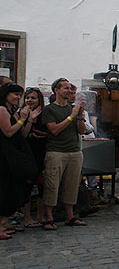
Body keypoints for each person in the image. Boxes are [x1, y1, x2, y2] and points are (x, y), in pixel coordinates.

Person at [40, 78, 87, 228]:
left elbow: (81, 131)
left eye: (70, 89)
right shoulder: (49, 109)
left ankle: (70, 216)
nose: (69, 91)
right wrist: (72, 116)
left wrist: (79, 116)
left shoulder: (72, 108)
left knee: (72, 185)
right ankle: (48, 217)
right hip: (56, 152)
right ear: (57, 90)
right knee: (52, 185)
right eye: (65, 88)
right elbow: (54, 130)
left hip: (74, 151)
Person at [0, 82, 40, 238]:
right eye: (15, 94)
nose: (18, 97)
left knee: (12, 188)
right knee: (5, 189)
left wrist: (28, 120)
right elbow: (8, 132)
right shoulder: (2, 110)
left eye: (19, 94)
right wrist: (22, 119)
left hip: (14, 154)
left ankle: (5, 222)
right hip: (5, 156)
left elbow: (21, 134)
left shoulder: (13, 111)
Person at [21, 87, 46, 228]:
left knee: (43, 186)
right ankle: (27, 217)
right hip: (27, 154)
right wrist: (29, 120)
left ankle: (41, 216)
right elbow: (22, 136)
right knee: (28, 187)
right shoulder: (22, 113)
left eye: (33, 98)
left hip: (41, 152)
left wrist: (44, 135)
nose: (30, 100)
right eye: (28, 98)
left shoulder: (44, 114)